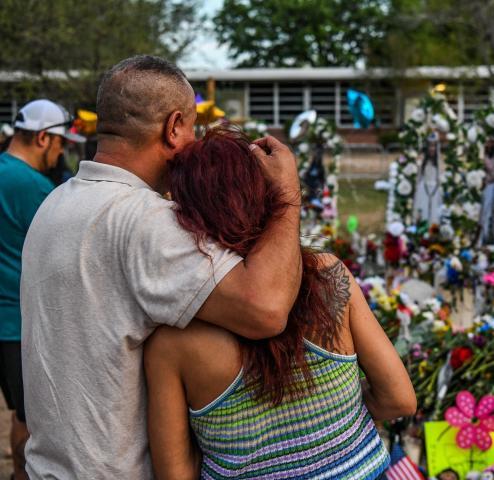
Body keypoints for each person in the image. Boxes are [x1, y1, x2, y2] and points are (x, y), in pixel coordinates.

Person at [20, 56, 302, 479]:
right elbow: (266, 309)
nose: (194, 143)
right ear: (173, 127)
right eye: (192, 129)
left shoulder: (55, 203)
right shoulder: (142, 219)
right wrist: (288, 195)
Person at [144, 127, 416, 479]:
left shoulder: (172, 342)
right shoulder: (327, 277)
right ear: (264, 195)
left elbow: (175, 475)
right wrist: (337, 414)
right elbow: (398, 399)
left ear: (185, 219)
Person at [0, 99, 85, 479]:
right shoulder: (34, 187)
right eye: (60, 143)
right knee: (33, 423)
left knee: (19, 416)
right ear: (42, 138)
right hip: (21, 325)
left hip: (6, 323)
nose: (61, 153)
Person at [413, 131, 444, 225]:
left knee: (434, 211)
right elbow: (419, 176)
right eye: (430, 146)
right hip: (424, 188)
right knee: (423, 209)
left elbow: (441, 176)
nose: (432, 148)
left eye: (434, 146)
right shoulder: (423, 160)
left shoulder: (439, 161)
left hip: (435, 189)